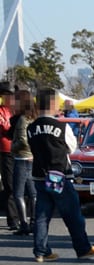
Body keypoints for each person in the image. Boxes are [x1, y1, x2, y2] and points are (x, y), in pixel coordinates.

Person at [27, 87, 94, 263]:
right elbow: (70, 148)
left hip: (39, 176)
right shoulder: (61, 126)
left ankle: (41, 251)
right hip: (60, 175)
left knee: (41, 215)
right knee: (72, 214)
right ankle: (83, 248)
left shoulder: (31, 128)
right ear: (54, 104)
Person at [10, 89, 37, 236]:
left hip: (21, 158)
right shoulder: (34, 116)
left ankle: (24, 224)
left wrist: (12, 148)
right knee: (33, 193)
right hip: (33, 158)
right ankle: (34, 222)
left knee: (18, 193)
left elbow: (22, 140)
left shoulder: (22, 119)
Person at [0, 81, 16, 230]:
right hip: (5, 151)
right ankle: (12, 219)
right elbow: (5, 129)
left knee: (20, 185)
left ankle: (21, 215)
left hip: (18, 151)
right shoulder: (1, 111)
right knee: (9, 185)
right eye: (6, 95)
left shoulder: (16, 111)